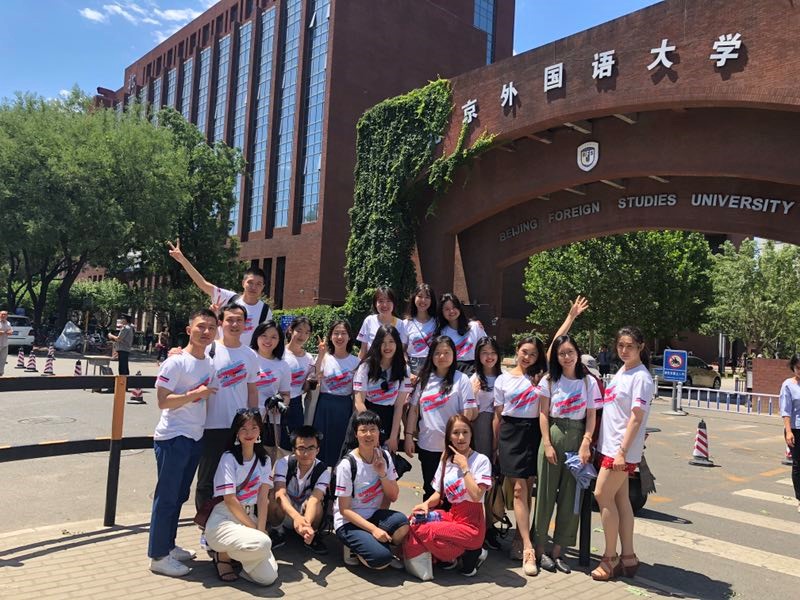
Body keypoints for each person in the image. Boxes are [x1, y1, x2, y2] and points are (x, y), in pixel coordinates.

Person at [148, 309, 218, 577]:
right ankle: (158, 556)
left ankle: (168, 545)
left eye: (211, 327)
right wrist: (195, 393)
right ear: (189, 330)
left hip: (195, 436)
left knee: (179, 495)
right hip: (173, 437)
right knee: (166, 498)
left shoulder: (209, 363)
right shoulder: (175, 362)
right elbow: (163, 401)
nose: (206, 331)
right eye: (201, 326)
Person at [533, 334, 600, 574]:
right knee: (545, 495)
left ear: (578, 354)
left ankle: (559, 550)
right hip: (554, 434)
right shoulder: (550, 380)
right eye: (562, 353)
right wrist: (547, 444)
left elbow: (591, 415)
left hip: (578, 437)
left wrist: (585, 444)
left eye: (570, 352)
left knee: (572, 498)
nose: (566, 357)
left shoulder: (588, 382)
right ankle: (540, 549)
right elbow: (543, 413)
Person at [592, 326, 654, 581]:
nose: (624, 350)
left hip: (619, 450)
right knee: (620, 499)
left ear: (641, 347)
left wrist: (622, 451)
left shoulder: (641, 377)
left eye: (630, 346)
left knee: (601, 494)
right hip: (611, 446)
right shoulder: (623, 371)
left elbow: (636, 417)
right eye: (620, 345)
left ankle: (610, 558)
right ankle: (628, 556)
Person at [404, 414, 492, 577]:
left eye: (465, 432)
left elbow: (476, 495)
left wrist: (465, 467)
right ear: (449, 437)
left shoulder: (481, 460)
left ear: (471, 434)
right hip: (453, 516)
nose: (461, 437)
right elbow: (439, 493)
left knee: (426, 529)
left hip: (472, 524)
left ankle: (468, 552)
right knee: (415, 519)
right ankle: (456, 555)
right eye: (455, 433)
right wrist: (425, 504)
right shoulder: (446, 460)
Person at [195, 304, 260, 512]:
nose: (234, 324)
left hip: (238, 427)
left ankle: (231, 519)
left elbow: (252, 390)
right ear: (221, 322)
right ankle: (205, 522)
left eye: (239, 320)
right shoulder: (209, 349)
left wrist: (254, 420)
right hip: (210, 425)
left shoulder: (250, 355)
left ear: (245, 324)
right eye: (230, 320)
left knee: (235, 476)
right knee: (207, 478)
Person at [493, 335, 546, 576]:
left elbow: (556, 344)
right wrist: (494, 446)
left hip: (533, 433)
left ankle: (520, 538)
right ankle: (527, 547)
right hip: (510, 433)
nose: (528, 357)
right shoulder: (503, 379)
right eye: (525, 352)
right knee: (517, 489)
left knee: (527, 487)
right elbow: (498, 415)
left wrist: (569, 318)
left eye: (533, 354)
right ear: (517, 350)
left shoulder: (540, 377)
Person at [205, 409, 278, 585]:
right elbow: (230, 500)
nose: (249, 433)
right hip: (224, 518)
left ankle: (239, 558)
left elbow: (263, 498)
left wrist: (261, 528)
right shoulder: (228, 458)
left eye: (254, 428)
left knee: (268, 578)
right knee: (263, 542)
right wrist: (255, 530)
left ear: (260, 431)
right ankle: (222, 554)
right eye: (243, 428)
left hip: (250, 514)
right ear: (236, 432)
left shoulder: (265, 460)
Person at [334, 410, 409, 569]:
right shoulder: (347, 465)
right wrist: (374, 530)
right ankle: (355, 548)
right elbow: (344, 510)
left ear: (379, 432)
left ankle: (373, 544)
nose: (368, 434)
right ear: (356, 434)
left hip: (374, 515)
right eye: (363, 430)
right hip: (349, 521)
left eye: (373, 429)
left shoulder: (385, 456)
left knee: (403, 524)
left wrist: (382, 473)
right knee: (381, 560)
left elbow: (393, 496)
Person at [405, 335, 478, 499]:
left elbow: (467, 414)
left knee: (453, 493)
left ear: (453, 355)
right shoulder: (424, 379)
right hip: (428, 445)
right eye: (437, 353)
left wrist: (459, 440)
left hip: (454, 448)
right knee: (430, 491)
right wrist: (408, 436)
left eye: (446, 352)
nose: (442, 356)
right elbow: (414, 410)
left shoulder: (461, 379)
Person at [168, 239, 272, 347]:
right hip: (220, 353)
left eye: (258, 284)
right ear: (243, 283)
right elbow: (203, 284)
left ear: (263, 287)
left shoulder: (265, 311)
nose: (253, 287)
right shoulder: (229, 299)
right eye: (250, 282)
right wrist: (182, 260)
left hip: (246, 356)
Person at [270, 425, 330, 554]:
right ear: (293, 450)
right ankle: (277, 531)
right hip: (287, 511)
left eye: (311, 448)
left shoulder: (323, 470)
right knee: (273, 495)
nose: (306, 454)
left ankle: (310, 534)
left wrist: (305, 524)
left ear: (318, 450)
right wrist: (296, 517)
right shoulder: (283, 463)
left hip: (307, 513)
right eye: (301, 448)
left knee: (317, 503)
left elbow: (314, 499)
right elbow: (280, 494)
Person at [353, 324, 412, 453]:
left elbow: (398, 406)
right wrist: (371, 431)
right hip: (366, 416)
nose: (387, 346)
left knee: (384, 461)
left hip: (388, 417)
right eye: (383, 342)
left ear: (397, 344)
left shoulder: (404, 369)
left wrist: (393, 437)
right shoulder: (366, 366)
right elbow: (359, 402)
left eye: (391, 342)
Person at [313, 319, 359, 465]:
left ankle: (338, 477)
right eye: (336, 333)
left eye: (343, 333)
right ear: (330, 336)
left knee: (340, 448)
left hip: (344, 407)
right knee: (320, 446)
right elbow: (314, 377)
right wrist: (321, 355)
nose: (339, 337)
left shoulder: (356, 362)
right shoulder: (325, 358)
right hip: (324, 406)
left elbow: (356, 393)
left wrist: (355, 416)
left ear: (349, 336)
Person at [249, 321, 291, 448]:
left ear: (279, 340)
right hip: (247, 418)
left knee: (267, 456)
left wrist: (281, 403)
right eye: (264, 335)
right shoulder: (247, 357)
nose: (268, 340)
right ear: (256, 336)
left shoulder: (283, 365)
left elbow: (286, 395)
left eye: (273, 337)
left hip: (270, 421)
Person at [282, 317, 315, 449]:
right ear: (291, 330)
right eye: (299, 330)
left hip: (296, 404)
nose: (302, 336)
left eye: (307, 332)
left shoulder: (308, 358)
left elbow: (306, 387)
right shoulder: (280, 353)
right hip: (279, 403)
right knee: (277, 443)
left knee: (295, 443)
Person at [436, 293, 485, 375]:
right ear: (442, 312)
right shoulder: (442, 332)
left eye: (454, 307)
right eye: (447, 309)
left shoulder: (474, 327)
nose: (451, 311)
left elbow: (486, 348)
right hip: (452, 370)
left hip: (474, 369)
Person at [357, 286, 408, 360]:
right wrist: (359, 365)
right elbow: (363, 350)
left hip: (392, 365)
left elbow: (401, 351)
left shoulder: (400, 324)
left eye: (388, 301)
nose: (384, 305)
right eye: (380, 301)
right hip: (372, 364)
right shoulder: (369, 321)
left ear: (394, 303)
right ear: (375, 304)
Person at [779, 354, 800, 513]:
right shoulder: (788, 385)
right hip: (795, 429)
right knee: (798, 465)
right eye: (798, 367)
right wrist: (788, 431)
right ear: (793, 367)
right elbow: (785, 410)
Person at [403, 283, 437, 377]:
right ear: (414, 298)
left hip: (434, 364)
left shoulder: (437, 322)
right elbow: (402, 351)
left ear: (432, 300)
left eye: (427, 297)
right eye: (420, 296)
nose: (423, 300)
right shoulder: (406, 324)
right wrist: (408, 370)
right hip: (413, 366)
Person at [0, 310, 12, 377]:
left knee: (3, 359)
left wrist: (10, 332)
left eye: (5, 314)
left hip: (5, 343)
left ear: (7, 316)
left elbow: (10, 330)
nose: (3, 315)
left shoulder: (8, 323)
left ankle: (1, 372)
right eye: (2, 314)